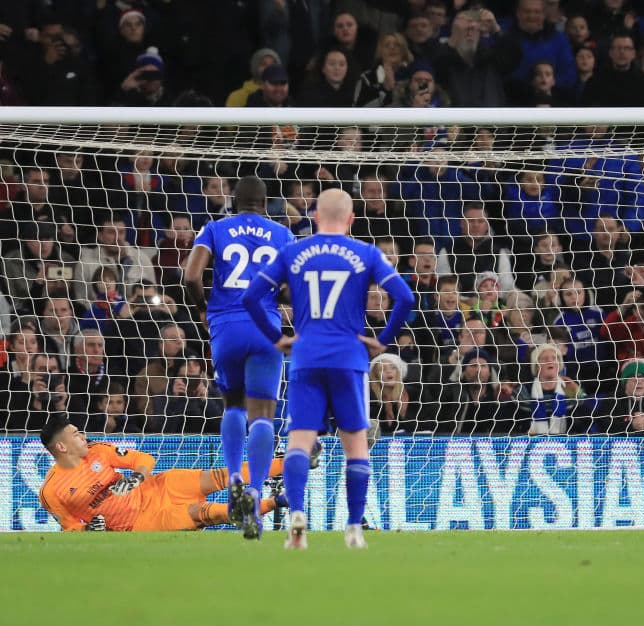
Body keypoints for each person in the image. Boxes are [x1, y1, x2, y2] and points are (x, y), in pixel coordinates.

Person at [242, 189, 415, 550]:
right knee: (355, 444)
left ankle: (297, 518)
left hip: (306, 356)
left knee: (299, 441)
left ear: (316, 216)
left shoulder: (293, 252)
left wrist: (277, 337)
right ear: (351, 219)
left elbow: (251, 296)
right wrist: (382, 340)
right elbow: (405, 298)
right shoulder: (366, 253)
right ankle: (353, 527)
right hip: (349, 358)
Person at [183, 176, 295, 540]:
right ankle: (255, 491)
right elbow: (291, 289)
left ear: (234, 200)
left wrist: (204, 307)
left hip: (226, 326)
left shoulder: (214, 228)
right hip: (265, 327)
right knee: (262, 414)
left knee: (233, 403)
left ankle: (233, 476)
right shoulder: (283, 234)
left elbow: (191, 276)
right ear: (265, 203)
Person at [37, 416, 287, 532]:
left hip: (158, 486)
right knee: (205, 512)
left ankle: (289, 463)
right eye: (76, 434)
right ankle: (276, 502)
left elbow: (142, 459)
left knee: (219, 476)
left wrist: (137, 477)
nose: (83, 436)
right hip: (142, 521)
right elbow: (69, 527)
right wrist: (89, 530)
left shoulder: (97, 451)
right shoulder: (51, 491)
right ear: (61, 447)